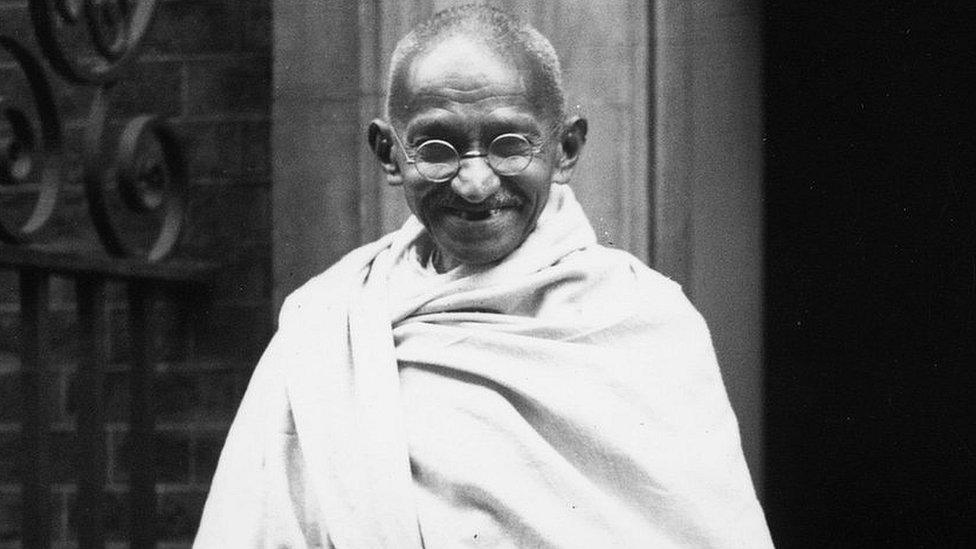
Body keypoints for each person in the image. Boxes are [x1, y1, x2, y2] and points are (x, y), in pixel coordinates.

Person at [195, 5, 773, 548]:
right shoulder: (326, 322)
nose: (474, 183)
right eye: (437, 148)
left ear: (566, 148)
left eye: (509, 145)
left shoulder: (644, 320)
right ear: (389, 154)